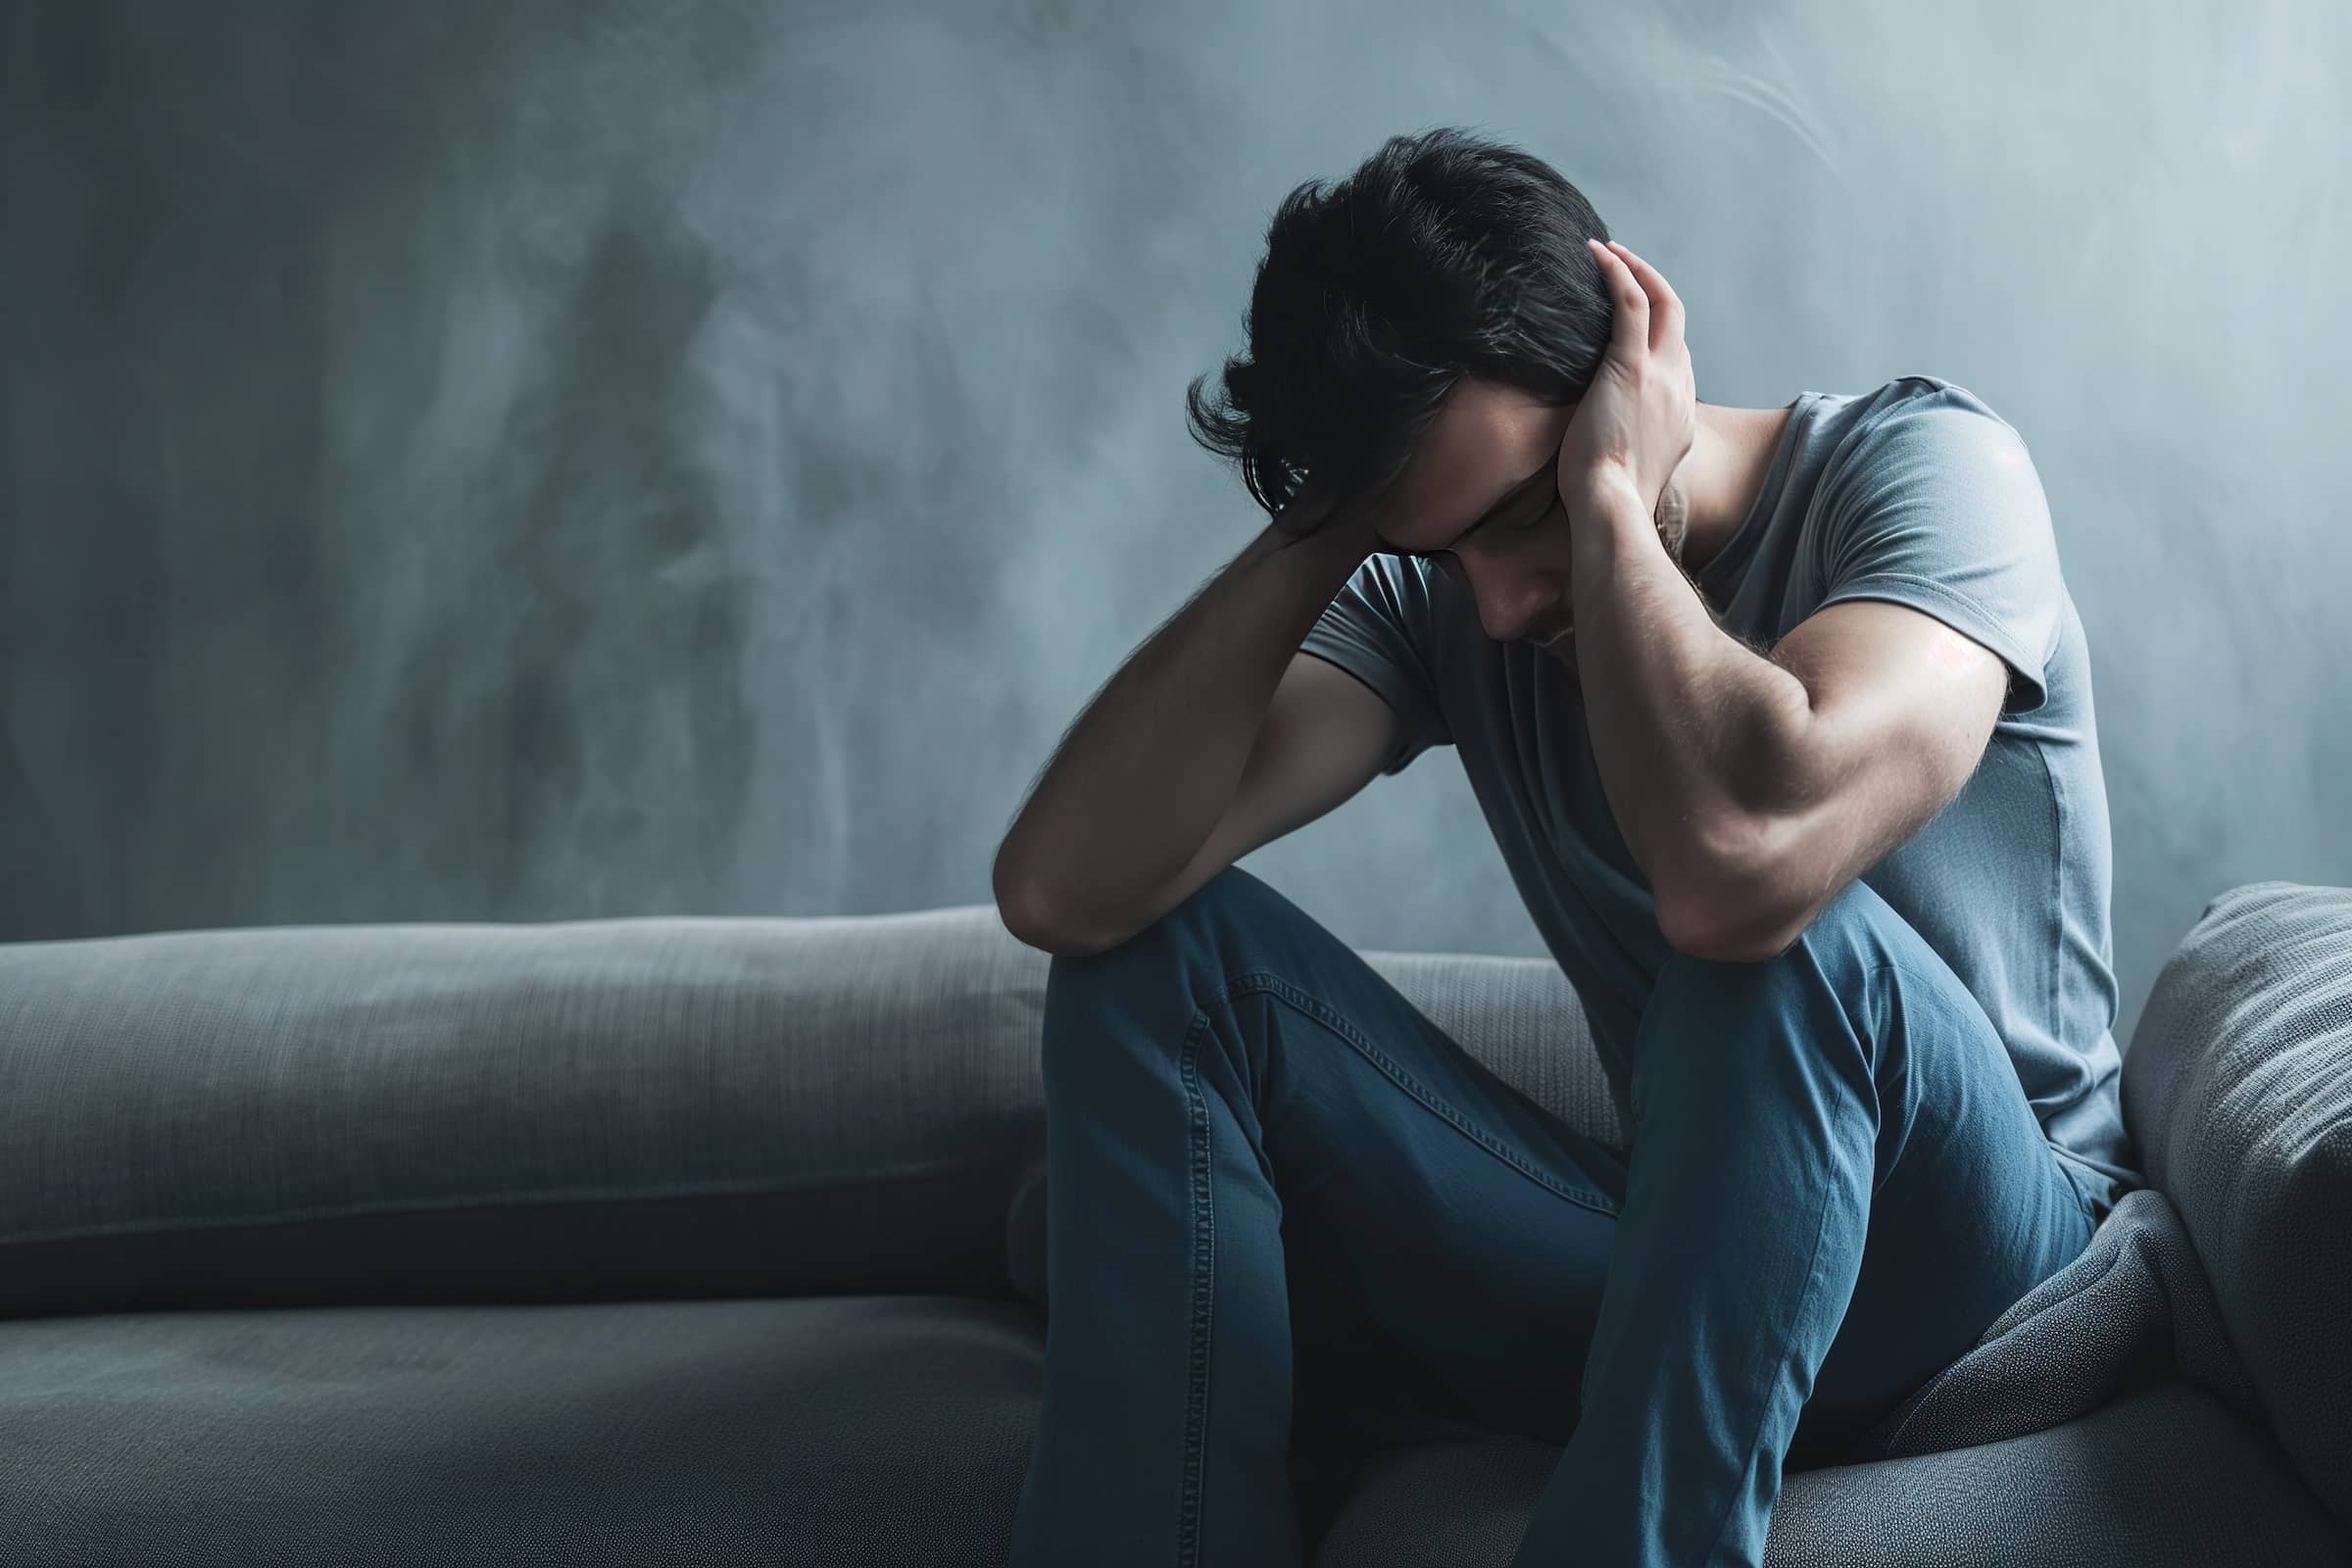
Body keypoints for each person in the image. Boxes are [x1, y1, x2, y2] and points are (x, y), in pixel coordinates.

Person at [989, 124, 2142, 1568]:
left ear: (1623, 365)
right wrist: (1328, 522)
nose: (1498, 602)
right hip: (1693, 1265)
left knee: (1782, 950)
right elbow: (1063, 889)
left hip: (1985, 1271)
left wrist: (1607, 512)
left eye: (1522, 510)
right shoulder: (1457, 603)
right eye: (1438, 550)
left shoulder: (1926, 472)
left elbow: (1741, 870)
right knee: (1158, 966)